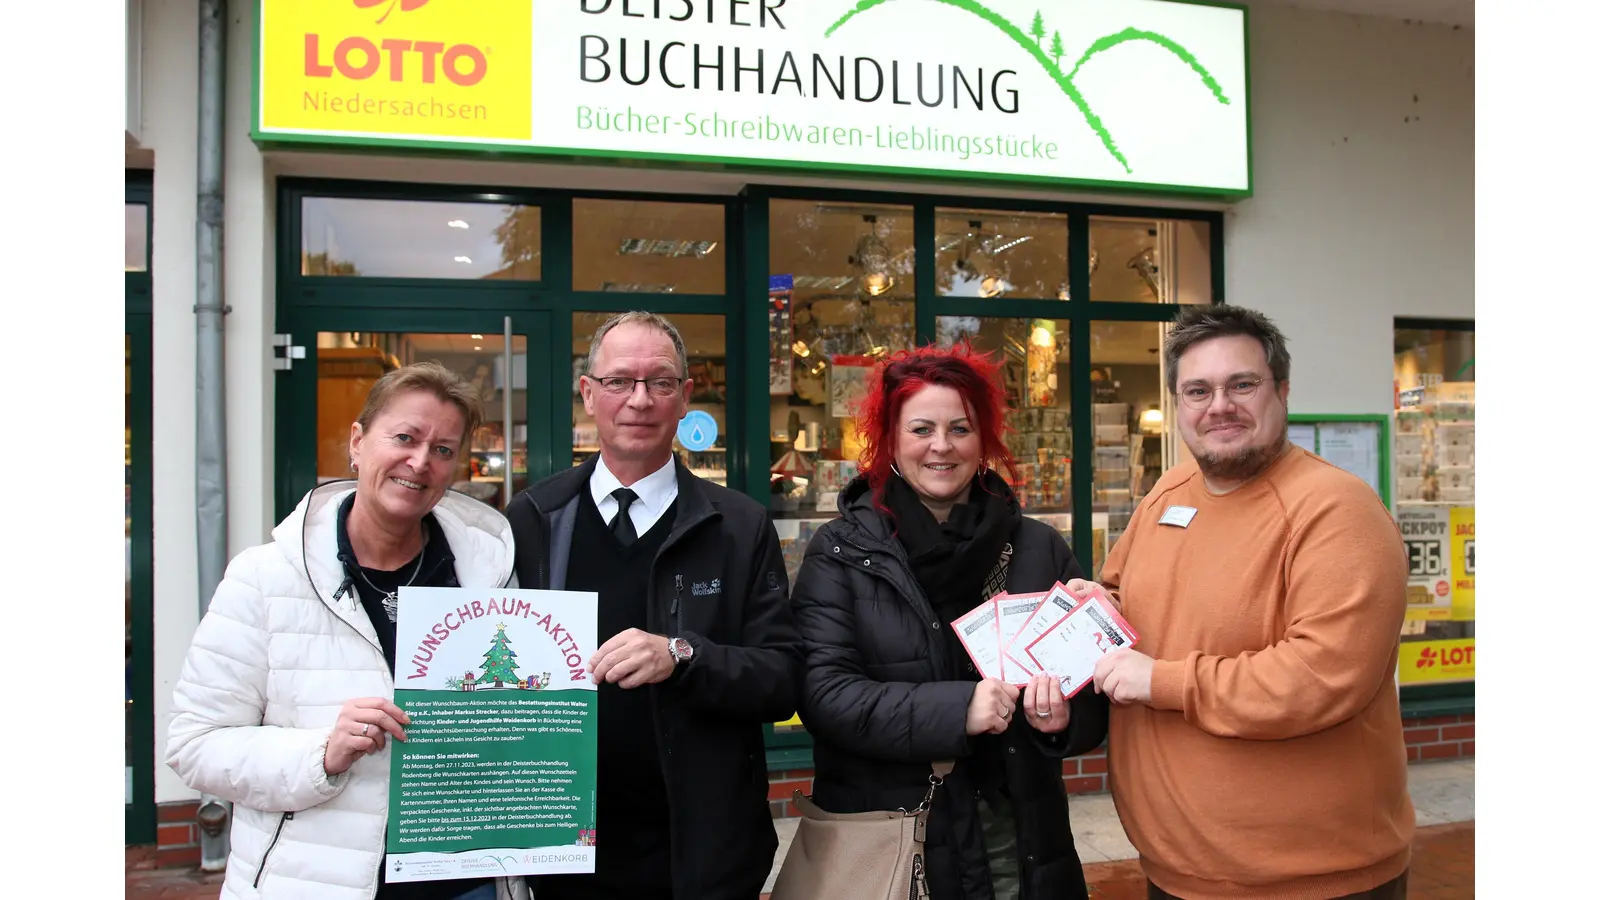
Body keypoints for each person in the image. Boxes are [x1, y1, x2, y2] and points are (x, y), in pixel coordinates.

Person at [1083, 305, 1414, 899]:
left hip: (1309, 881)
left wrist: (1161, 681)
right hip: (1174, 869)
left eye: (1242, 384)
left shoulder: (1337, 510)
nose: (1220, 406)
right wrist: (1091, 609)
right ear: (1179, 404)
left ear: (1282, 391)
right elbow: (1123, 594)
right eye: (1198, 390)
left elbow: (1320, 676)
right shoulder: (1167, 492)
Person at [167, 362, 525, 900]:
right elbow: (195, 744)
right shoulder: (266, 577)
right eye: (404, 437)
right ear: (357, 443)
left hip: (464, 882)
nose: (420, 461)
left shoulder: (489, 579)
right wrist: (321, 753)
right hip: (314, 882)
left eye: (444, 449)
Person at [789, 343, 1109, 900]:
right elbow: (825, 696)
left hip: (1021, 843)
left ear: (983, 439)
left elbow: (1092, 702)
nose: (942, 446)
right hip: (896, 844)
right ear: (890, 439)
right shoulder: (840, 552)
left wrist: (1063, 719)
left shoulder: (1037, 547)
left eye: (960, 428)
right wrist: (959, 709)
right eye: (921, 429)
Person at [504, 311, 801, 900]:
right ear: (588, 394)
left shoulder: (738, 525)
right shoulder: (533, 519)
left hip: (702, 850)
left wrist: (682, 656)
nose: (638, 400)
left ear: (684, 397)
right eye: (619, 382)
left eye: (659, 382)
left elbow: (783, 679)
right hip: (565, 847)